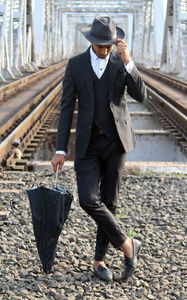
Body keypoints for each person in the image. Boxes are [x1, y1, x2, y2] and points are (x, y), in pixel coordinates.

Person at [51, 16, 147, 281]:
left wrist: (128, 61)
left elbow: (141, 95)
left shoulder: (120, 63)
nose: (104, 50)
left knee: (110, 202)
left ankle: (99, 261)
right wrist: (60, 149)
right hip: (88, 143)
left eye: (108, 45)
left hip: (117, 143)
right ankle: (128, 244)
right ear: (92, 42)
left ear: (115, 42)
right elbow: (66, 107)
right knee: (87, 199)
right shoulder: (76, 65)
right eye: (100, 46)